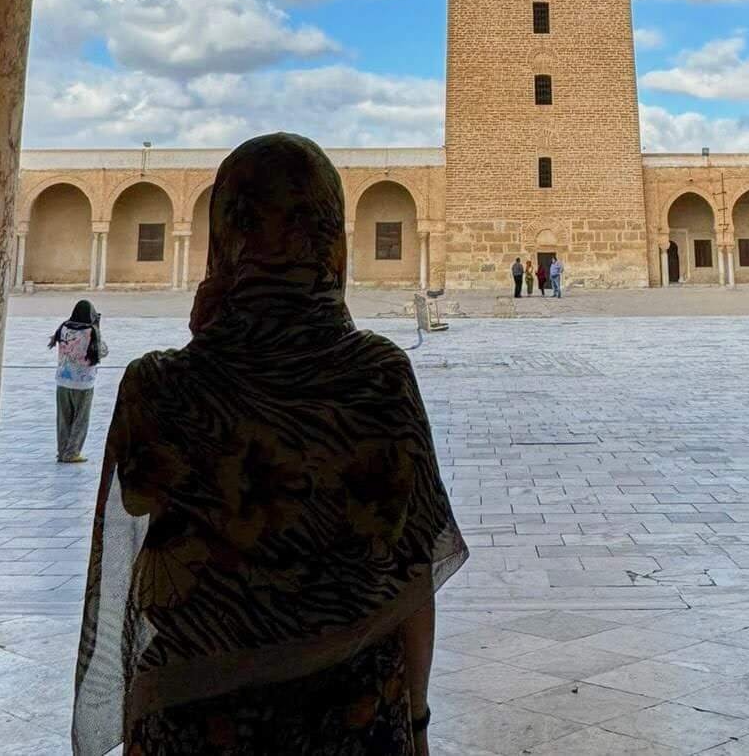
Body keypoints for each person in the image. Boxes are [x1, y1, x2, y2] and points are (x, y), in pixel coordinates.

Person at [73, 133, 467, 756]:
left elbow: (142, 508)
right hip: (350, 717)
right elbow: (412, 575)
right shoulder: (376, 376)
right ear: (332, 241)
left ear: (222, 237)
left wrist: (211, 342)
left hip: (192, 719)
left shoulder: (158, 386)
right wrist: (415, 721)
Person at [50, 298, 107, 464]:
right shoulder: (91, 331)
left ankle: (62, 451)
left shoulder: (63, 327)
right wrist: (97, 329)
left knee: (63, 418)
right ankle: (73, 452)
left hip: (62, 380)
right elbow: (102, 352)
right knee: (80, 419)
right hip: (83, 383)